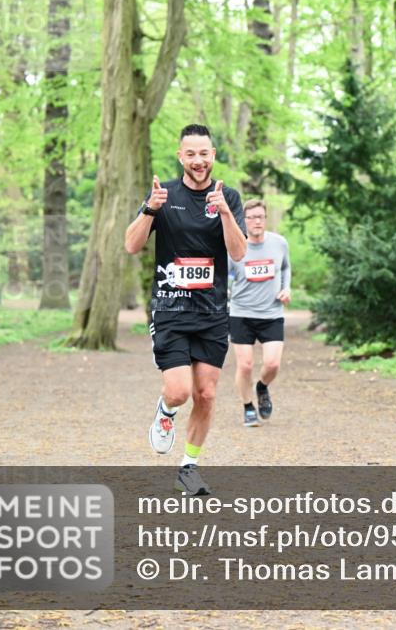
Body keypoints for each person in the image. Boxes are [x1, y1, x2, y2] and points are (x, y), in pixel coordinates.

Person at [124, 124, 247, 496]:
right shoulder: (163, 195)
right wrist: (149, 209)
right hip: (170, 310)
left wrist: (226, 213)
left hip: (211, 313)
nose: (198, 160)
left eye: (204, 153)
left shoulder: (230, 197)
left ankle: (188, 467)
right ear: (181, 156)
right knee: (179, 391)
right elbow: (131, 246)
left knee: (206, 394)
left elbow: (239, 253)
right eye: (190, 154)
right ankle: (166, 412)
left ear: (213, 155)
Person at [227, 199, 291, 427]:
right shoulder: (236, 245)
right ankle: (247, 407)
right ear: (243, 221)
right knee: (244, 365)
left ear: (265, 219)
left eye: (260, 217)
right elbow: (225, 276)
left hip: (271, 313)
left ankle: (262, 386)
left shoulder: (279, 243)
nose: (256, 221)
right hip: (241, 313)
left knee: (272, 364)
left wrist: (286, 288)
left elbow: (285, 267)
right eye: (251, 217)